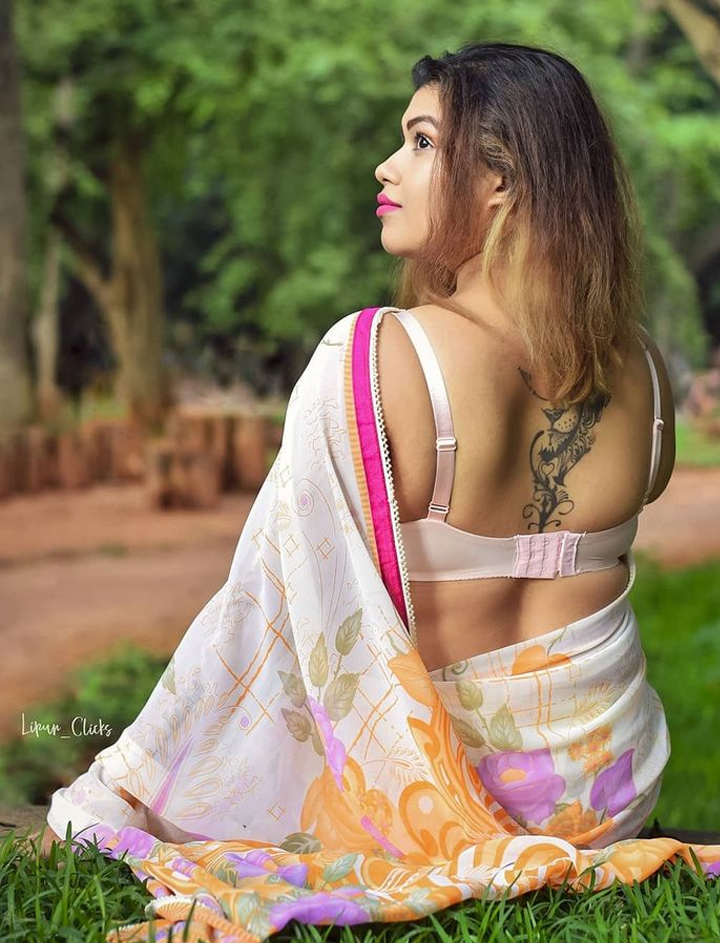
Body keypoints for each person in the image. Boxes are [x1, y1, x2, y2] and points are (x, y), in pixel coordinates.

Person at [33, 40, 720, 943]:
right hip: (605, 793)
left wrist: (122, 781)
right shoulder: (647, 374)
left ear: (501, 180)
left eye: (423, 141)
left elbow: (262, 613)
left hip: (439, 807)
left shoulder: (375, 356)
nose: (386, 166)